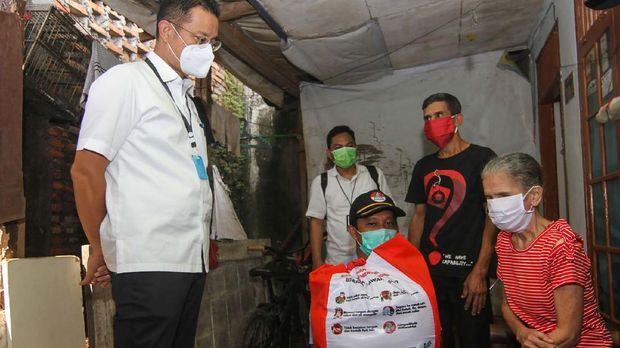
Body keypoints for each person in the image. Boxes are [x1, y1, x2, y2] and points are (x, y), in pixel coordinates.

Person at [71, 1, 220, 347]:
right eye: (200, 39)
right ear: (167, 31)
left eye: (213, 43)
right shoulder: (126, 82)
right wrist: (100, 246)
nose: (207, 51)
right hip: (149, 262)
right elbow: (86, 170)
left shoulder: (187, 100)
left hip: (190, 261)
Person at [482, 152, 612, 348]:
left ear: (534, 196)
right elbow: (508, 306)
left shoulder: (561, 246)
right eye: (489, 198)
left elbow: (568, 335)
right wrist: (522, 332)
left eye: (503, 196)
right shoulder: (504, 241)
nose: (495, 205)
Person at [405, 93, 497, 347]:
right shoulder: (424, 166)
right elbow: (419, 217)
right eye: (427, 117)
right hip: (432, 273)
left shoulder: (482, 158)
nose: (432, 122)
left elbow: (493, 217)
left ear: (458, 118)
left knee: (473, 340)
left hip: (469, 273)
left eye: (438, 115)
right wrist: (412, 269)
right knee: (437, 339)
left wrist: (480, 270)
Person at [306, 125, 392, 269]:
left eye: (349, 145)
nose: (344, 150)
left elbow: (390, 214)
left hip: (375, 258)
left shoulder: (374, 175)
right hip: (337, 261)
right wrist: (317, 262)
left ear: (356, 148)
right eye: (338, 147)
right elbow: (316, 223)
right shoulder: (321, 182)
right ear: (329, 153)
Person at [346, 190, 406, 259]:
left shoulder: (411, 267)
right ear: (353, 232)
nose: (383, 230)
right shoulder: (344, 269)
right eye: (372, 223)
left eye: (389, 223)